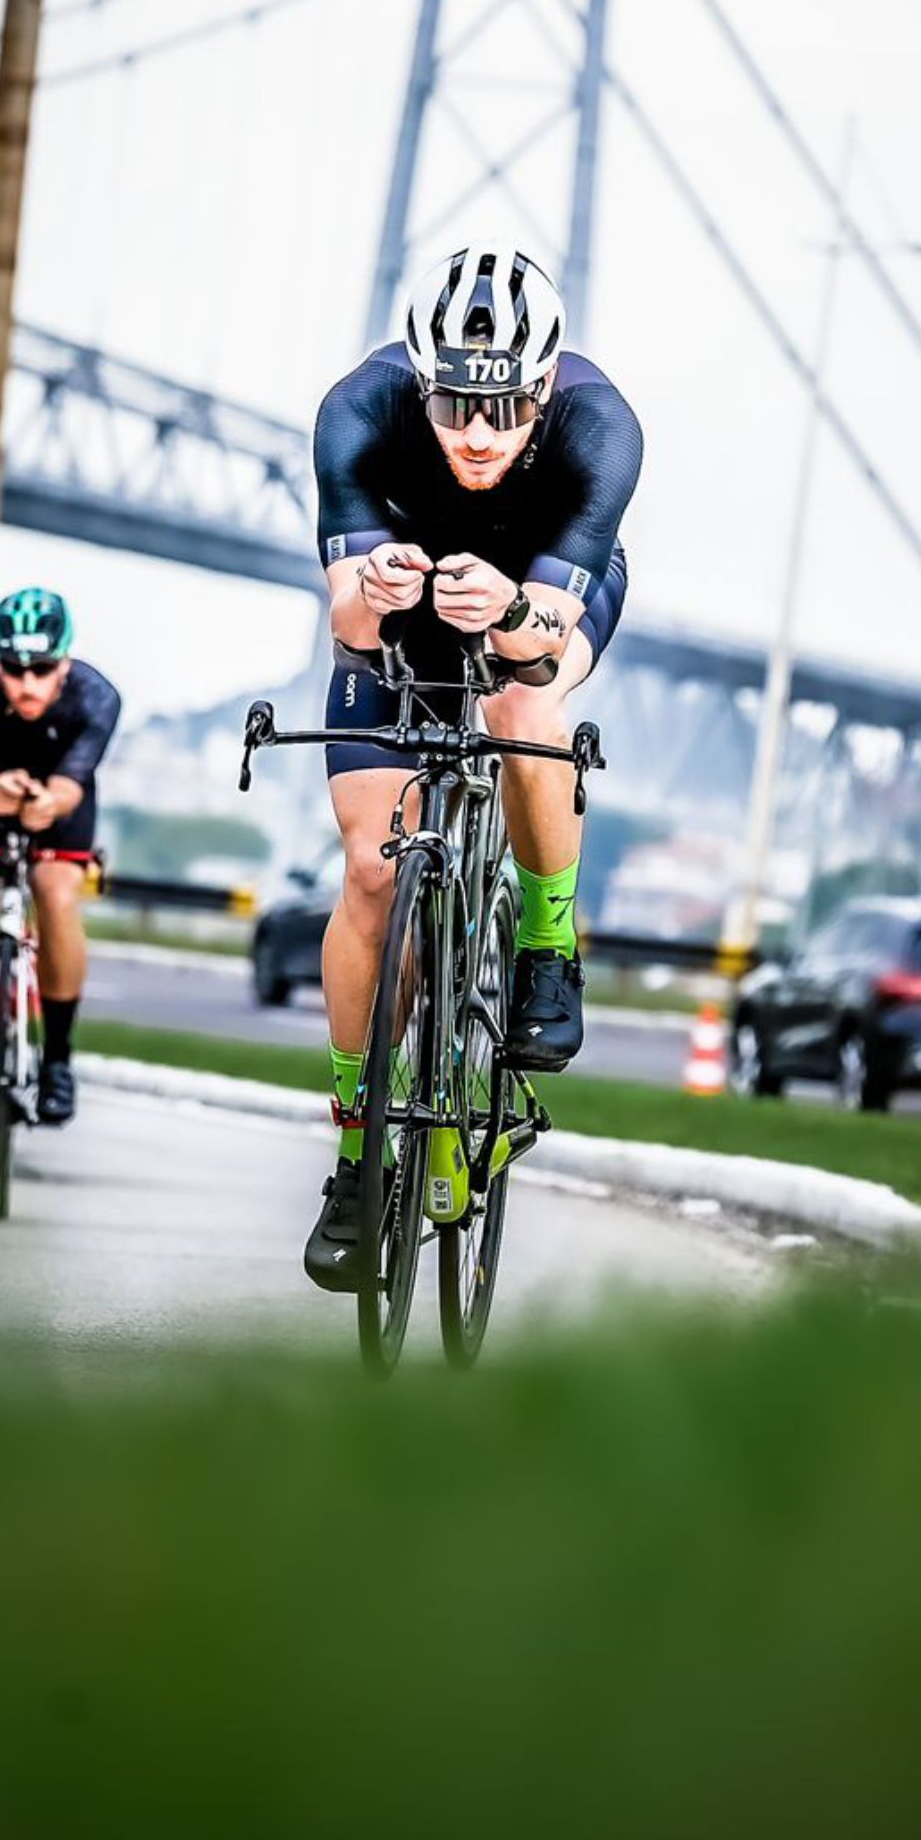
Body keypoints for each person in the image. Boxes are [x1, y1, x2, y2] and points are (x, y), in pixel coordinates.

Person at [302, 241, 641, 1288]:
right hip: (403, 617)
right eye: (453, 406)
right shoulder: (357, 413)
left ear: (544, 387)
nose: (480, 433)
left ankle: (546, 945)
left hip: (535, 599)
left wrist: (505, 609)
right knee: (371, 875)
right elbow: (348, 629)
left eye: (505, 408)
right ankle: (356, 1157)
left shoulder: (600, 428)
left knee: (519, 698)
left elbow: (542, 640)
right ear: (419, 382)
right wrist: (375, 590)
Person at [0, 589, 120, 1128]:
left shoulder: (97, 696)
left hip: (58, 805)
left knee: (57, 898)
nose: (28, 683)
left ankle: (58, 1058)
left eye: (42, 669)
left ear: (65, 663)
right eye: (14, 670)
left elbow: (71, 786)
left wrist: (47, 803)